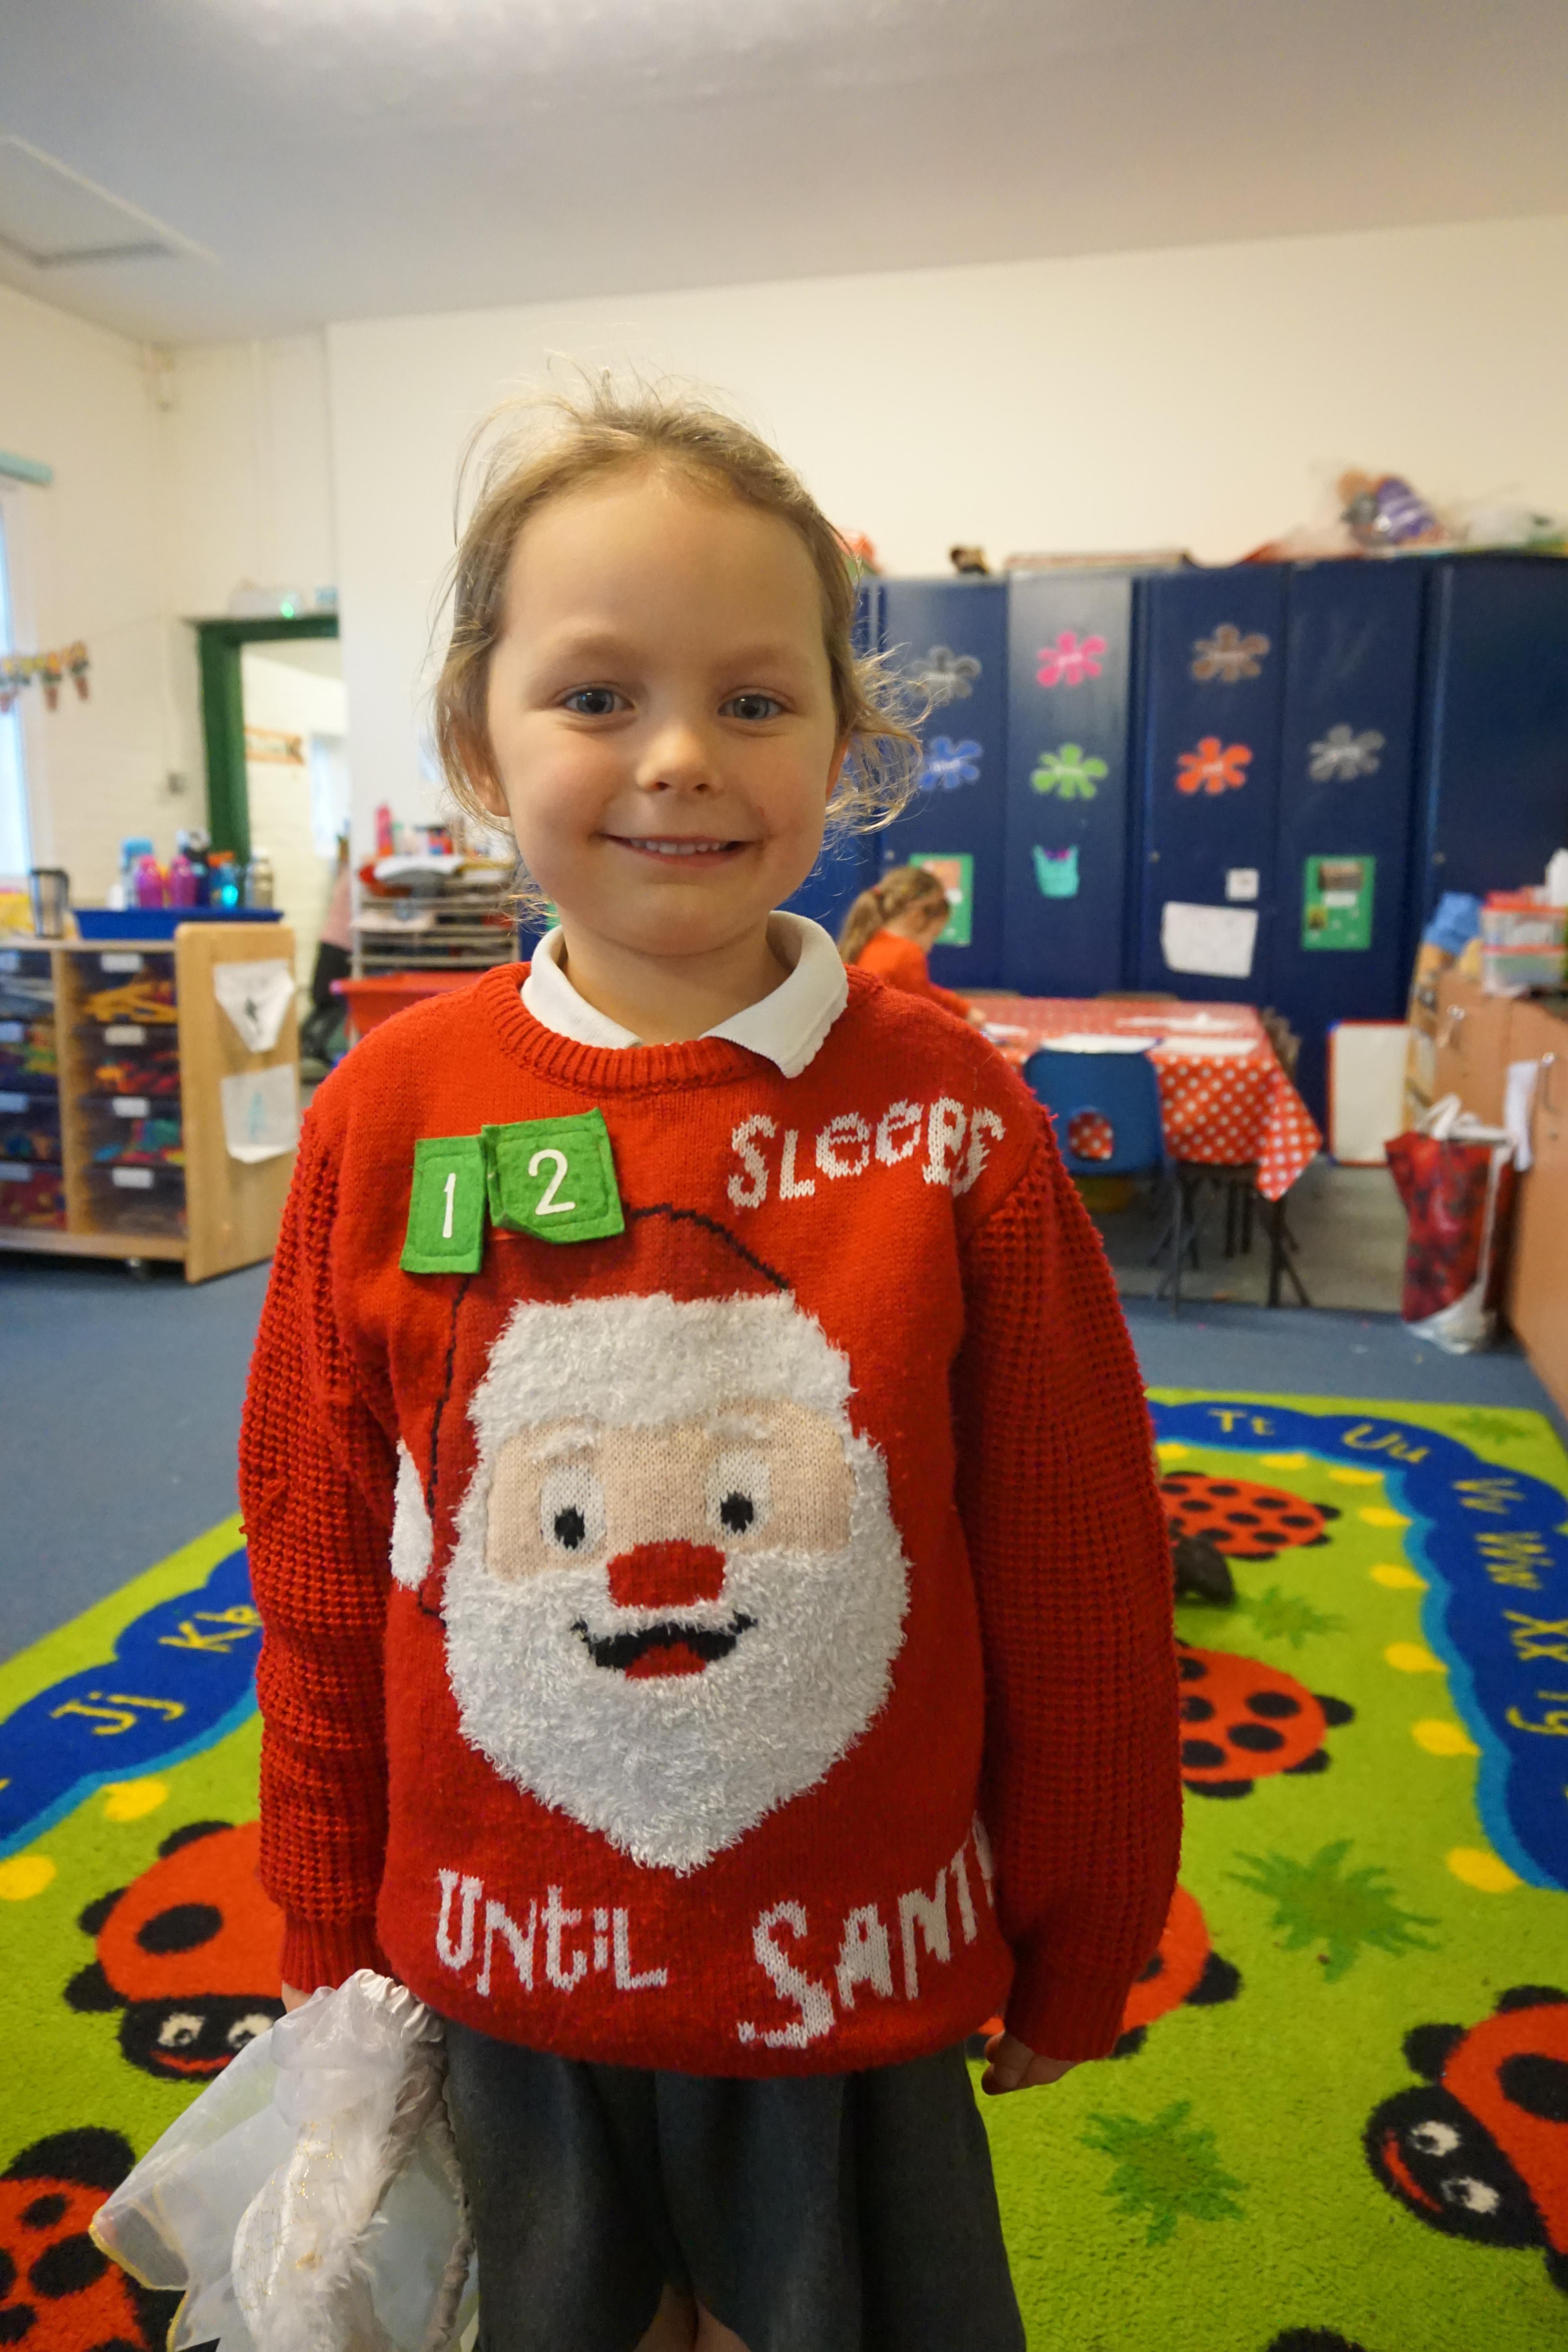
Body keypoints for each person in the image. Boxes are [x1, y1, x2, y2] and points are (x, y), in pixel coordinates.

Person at [240, 383, 1180, 2352]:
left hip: (845, 1977)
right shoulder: (384, 1112)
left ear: (845, 744)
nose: (677, 756)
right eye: (596, 695)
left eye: (753, 700)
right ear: (474, 742)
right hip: (496, 1972)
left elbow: (1078, 1564)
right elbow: (322, 1551)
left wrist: (1083, 1923)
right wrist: (324, 1911)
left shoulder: (953, 1118)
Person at [838, 864, 985, 1025]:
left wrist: (964, 1010)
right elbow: (925, 1016)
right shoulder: (907, 954)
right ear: (916, 917)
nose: (931, 948)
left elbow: (926, 991)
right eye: (934, 935)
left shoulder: (870, 940)